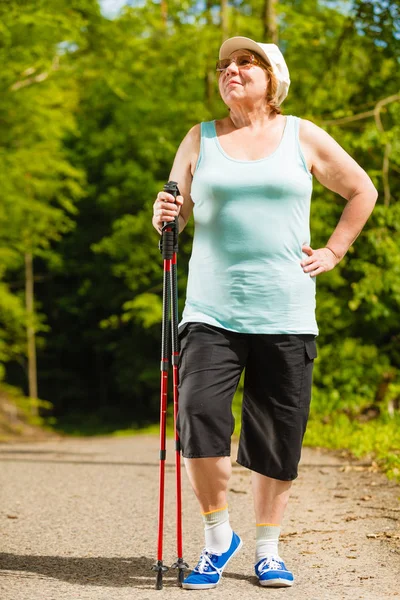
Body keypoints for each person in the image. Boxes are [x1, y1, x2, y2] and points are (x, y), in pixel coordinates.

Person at [152, 35, 377, 589]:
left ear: (272, 77)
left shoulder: (302, 134)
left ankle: (269, 549)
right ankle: (216, 538)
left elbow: (361, 190)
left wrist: (334, 250)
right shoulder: (198, 138)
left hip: (287, 310)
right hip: (210, 310)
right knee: (199, 417)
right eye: (225, 65)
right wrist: (162, 216)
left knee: (278, 434)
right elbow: (171, 221)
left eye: (244, 63)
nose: (231, 70)